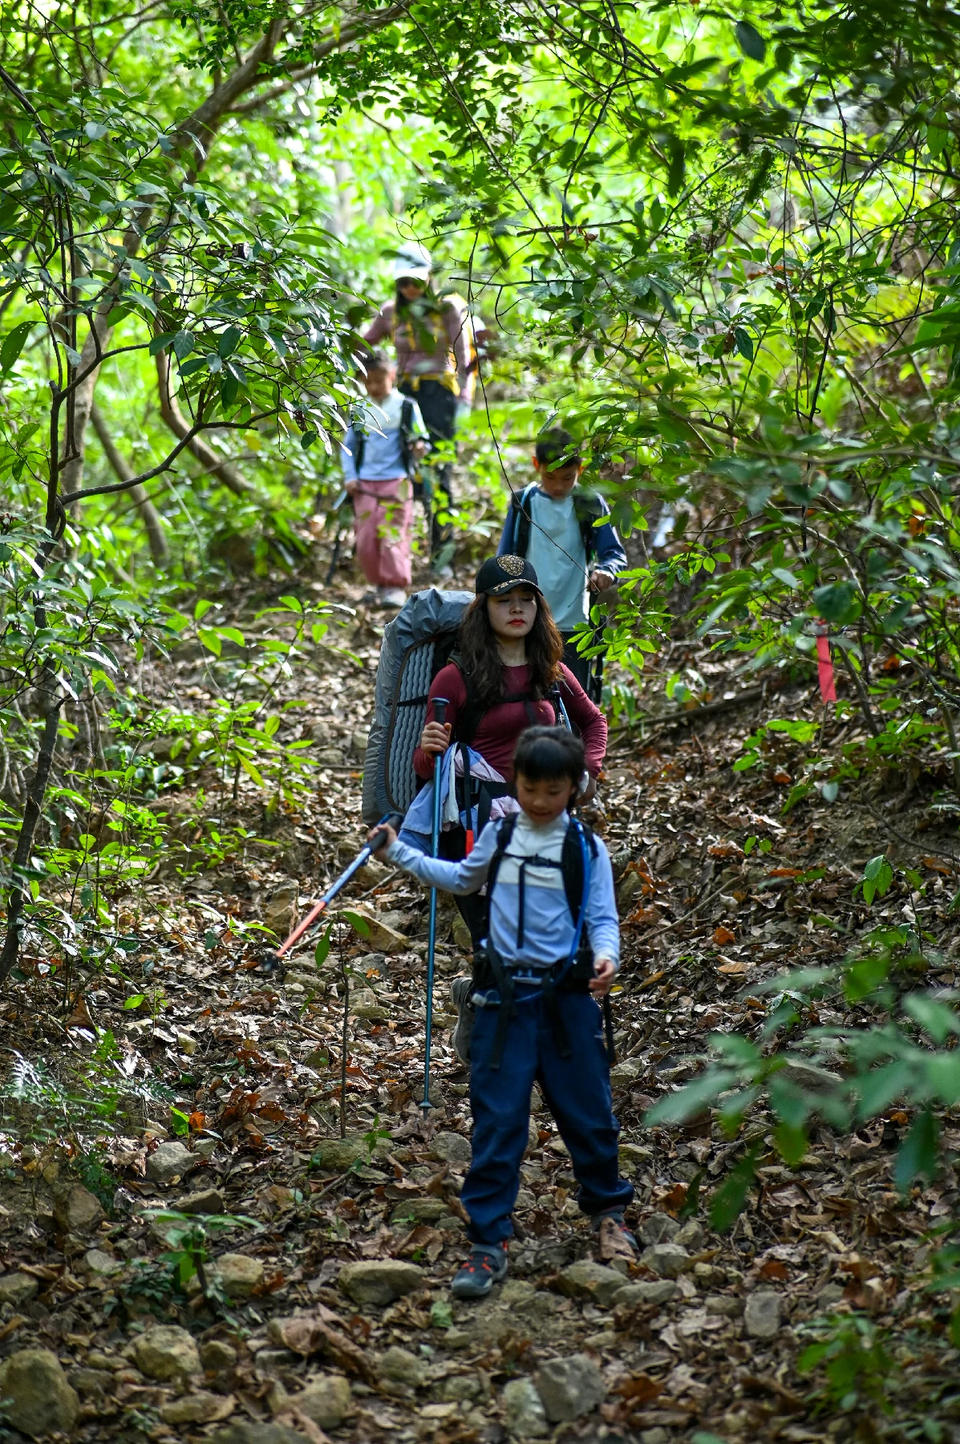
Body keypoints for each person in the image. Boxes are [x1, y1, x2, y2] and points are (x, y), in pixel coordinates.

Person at [372, 725, 634, 1299]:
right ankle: (489, 1242)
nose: (541, 802)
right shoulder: (499, 832)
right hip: (502, 1002)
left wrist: (607, 957)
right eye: (531, 789)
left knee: (588, 1113)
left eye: (554, 791)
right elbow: (460, 878)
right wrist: (399, 853)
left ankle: (609, 1216)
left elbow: (602, 918)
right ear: (516, 782)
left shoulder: (586, 849)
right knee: (498, 1122)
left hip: (568, 1001)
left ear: (574, 788)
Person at [413, 553, 607, 946]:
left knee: (554, 943)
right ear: (483, 610)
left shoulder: (550, 669)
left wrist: (587, 770)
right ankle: (479, 998)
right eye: (504, 600)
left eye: (527, 598)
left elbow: (593, 721)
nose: (517, 608)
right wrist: (430, 749)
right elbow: (426, 770)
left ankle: (485, 999)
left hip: (547, 821)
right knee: (500, 947)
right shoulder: (455, 678)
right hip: (477, 830)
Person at [364, 242, 476, 567]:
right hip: (402, 399)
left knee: (438, 472)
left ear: (429, 277)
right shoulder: (390, 313)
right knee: (404, 475)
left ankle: (442, 556)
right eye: (403, 282)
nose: (410, 288)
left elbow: (464, 357)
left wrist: (465, 398)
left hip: (439, 395)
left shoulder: (448, 309)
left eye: (416, 280)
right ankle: (400, 556)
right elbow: (362, 343)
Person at [498, 427, 626, 697]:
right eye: (550, 476)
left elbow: (614, 554)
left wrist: (606, 572)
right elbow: (504, 560)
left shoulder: (590, 503)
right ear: (537, 465)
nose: (558, 486)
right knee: (526, 695)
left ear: (582, 467)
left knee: (572, 697)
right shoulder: (524, 502)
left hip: (573, 624)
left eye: (568, 478)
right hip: (526, 620)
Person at [341, 349, 428, 610]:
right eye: (367, 381)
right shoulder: (358, 408)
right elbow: (347, 447)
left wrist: (421, 446)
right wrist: (350, 477)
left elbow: (421, 437)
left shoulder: (406, 406)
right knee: (366, 538)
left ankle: (395, 586)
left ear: (392, 375)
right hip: (365, 485)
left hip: (397, 482)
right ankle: (377, 584)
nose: (373, 387)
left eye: (379, 380)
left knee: (393, 535)